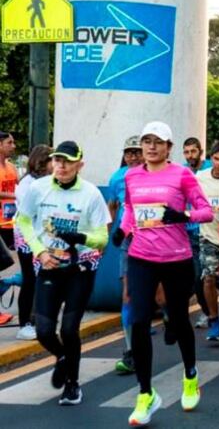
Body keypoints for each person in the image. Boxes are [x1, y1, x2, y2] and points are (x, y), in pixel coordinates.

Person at [113, 121, 213, 426]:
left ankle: (190, 374)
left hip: (176, 258)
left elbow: (205, 211)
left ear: (169, 147)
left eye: (158, 142)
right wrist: (122, 229)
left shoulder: (181, 174)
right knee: (140, 320)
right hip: (142, 256)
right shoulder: (132, 176)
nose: (151, 147)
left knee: (179, 319)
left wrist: (181, 216)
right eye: (147, 141)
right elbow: (131, 209)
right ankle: (146, 393)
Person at [15, 141, 109, 405]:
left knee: (69, 329)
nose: (62, 166)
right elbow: (22, 221)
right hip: (48, 265)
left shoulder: (90, 194)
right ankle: (63, 356)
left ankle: (72, 384)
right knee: (44, 331)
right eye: (57, 160)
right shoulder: (38, 188)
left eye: (68, 161)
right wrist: (40, 252)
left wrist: (79, 237)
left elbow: (102, 238)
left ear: (80, 164)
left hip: (81, 267)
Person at [107, 136, 143, 373]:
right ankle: (130, 352)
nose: (132, 157)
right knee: (128, 296)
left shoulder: (160, 174)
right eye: (128, 152)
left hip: (156, 241)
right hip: (129, 241)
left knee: (161, 298)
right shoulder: (117, 177)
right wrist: (112, 232)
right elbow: (112, 205)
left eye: (136, 152)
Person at [195, 140, 219, 342]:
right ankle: (214, 320)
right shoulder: (200, 178)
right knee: (208, 277)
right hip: (209, 236)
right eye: (216, 159)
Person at [12, 144, 52, 341]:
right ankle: (24, 324)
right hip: (27, 237)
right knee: (29, 279)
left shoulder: (48, 181)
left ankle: (38, 319)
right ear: (42, 162)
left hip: (42, 236)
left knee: (41, 279)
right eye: (52, 160)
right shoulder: (28, 183)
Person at [0, 131, 18, 327]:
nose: (13, 146)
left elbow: (18, 188)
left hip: (11, 223)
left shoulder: (12, 167)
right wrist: (15, 196)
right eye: (9, 142)